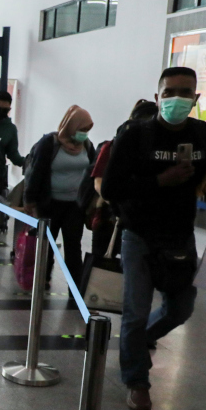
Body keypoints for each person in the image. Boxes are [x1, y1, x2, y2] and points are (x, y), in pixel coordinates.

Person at [101, 66, 206, 410]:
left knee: (181, 308)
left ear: (196, 98)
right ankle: (137, 381)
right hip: (138, 235)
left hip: (180, 236)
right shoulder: (136, 134)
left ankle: (142, 340)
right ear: (157, 96)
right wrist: (159, 181)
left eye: (185, 92)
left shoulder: (205, 136)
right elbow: (110, 188)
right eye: (169, 92)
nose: (176, 99)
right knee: (134, 311)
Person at [79, 99, 159, 295]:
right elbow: (99, 183)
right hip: (109, 216)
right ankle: (91, 302)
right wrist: (119, 201)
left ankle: (122, 301)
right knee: (101, 258)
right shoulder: (113, 146)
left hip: (138, 220)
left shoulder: (156, 151)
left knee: (132, 267)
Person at [23, 105, 96, 290]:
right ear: (72, 126)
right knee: (46, 244)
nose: (84, 134)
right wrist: (30, 201)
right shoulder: (49, 143)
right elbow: (36, 172)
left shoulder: (86, 146)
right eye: (82, 129)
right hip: (49, 204)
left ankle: (76, 288)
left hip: (75, 206)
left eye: (87, 130)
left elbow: (92, 172)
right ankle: (42, 279)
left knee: (73, 246)